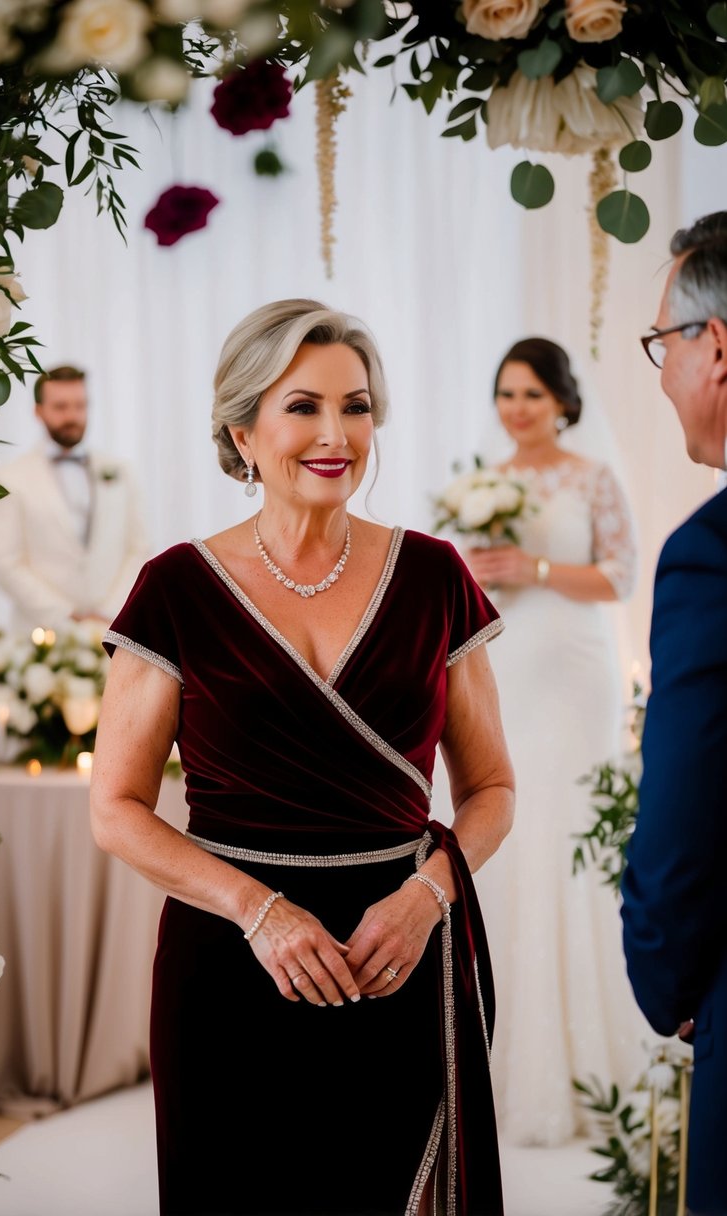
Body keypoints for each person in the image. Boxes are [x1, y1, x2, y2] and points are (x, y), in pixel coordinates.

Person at [90, 299, 515, 1216]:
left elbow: (491, 789)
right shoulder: (176, 588)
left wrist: (426, 895)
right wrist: (259, 911)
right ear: (242, 431)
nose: (335, 434)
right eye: (303, 406)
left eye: (356, 407)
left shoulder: (436, 574)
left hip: (395, 958)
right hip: (230, 965)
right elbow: (115, 808)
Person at [464, 338, 652, 1147]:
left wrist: (534, 567)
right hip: (506, 666)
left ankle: (586, 1064)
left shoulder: (591, 476)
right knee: (507, 834)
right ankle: (498, 1058)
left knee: (567, 834)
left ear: (563, 402)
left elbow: (621, 574)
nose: (517, 408)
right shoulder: (480, 480)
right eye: (506, 393)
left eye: (533, 394)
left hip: (575, 671)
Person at [621, 213, 727, 1216]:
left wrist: (670, 980)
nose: (660, 375)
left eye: (662, 345)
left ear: (717, 347)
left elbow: (687, 813)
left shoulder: (712, 552)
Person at [0, 364, 149, 630]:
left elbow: (139, 548)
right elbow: (6, 564)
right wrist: (67, 617)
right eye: (60, 407)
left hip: (114, 627)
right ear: (38, 411)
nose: (72, 415)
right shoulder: (9, 479)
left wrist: (109, 612)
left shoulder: (121, 471)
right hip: (39, 635)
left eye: (80, 405)